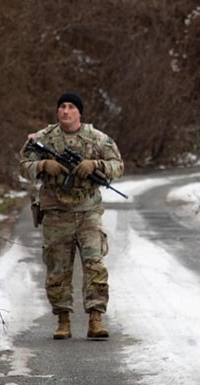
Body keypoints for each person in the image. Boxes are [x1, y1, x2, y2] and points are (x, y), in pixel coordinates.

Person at [19, 92, 124, 340]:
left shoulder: (96, 138)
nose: (65, 111)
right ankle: (63, 320)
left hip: (88, 212)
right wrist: (43, 166)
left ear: (80, 112)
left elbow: (117, 165)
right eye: (62, 107)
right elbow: (24, 165)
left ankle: (96, 318)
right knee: (58, 269)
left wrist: (96, 165)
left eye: (71, 107)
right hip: (56, 213)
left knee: (94, 265)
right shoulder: (43, 138)